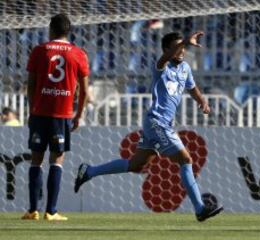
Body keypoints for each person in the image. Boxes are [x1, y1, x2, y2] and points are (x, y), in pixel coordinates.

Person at [74, 31, 223, 222]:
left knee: (135, 164)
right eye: (178, 47)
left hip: (162, 123)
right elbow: (164, 60)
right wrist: (185, 41)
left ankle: (89, 171)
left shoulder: (185, 68)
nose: (182, 51)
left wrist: (202, 101)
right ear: (167, 50)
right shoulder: (161, 67)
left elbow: (192, 87)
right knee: (186, 160)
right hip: (157, 122)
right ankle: (200, 208)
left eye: (184, 47)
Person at [22, 13, 89, 221]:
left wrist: (32, 110)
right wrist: (79, 114)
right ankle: (51, 211)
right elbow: (85, 90)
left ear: (51, 29)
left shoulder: (39, 51)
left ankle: (32, 210)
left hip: (40, 113)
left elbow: (30, 85)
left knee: (36, 160)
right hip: (62, 114)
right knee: (57, 160)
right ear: (68, 31)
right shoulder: (78, 54)